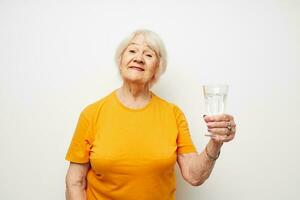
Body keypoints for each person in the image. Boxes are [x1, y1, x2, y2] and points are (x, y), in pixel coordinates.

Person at [65, 29, 236, 200]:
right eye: (132, 51)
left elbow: (194, 175)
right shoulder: (92, 114)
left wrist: (216, 141)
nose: (138, 58)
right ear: (120, 60)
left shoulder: (173, 114)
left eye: (148, 54)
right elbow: (75, 182)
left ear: (157, 68)